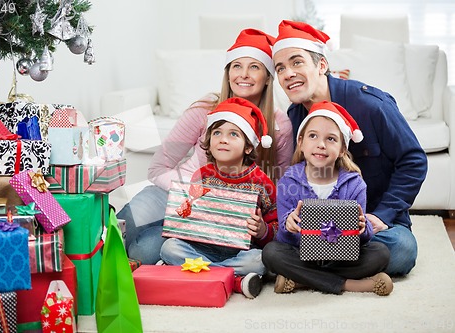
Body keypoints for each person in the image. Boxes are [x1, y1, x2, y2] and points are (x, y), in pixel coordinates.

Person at [117, 28, 293, 264]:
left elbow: (282, 181)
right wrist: (197, 193)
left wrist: (255, 218)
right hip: (177, 192)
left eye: (254, 67)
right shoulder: (204, 109)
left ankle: (189, 254)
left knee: (144, 252)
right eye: (236, 66)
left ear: (268, 76)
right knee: (121, 227)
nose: (244, 75)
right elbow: (158, 168)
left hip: (223, 215)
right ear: (228, 73)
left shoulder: (279, 123)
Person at [270, 20, 428, 276]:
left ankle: (307, 273)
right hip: (320, 227)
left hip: (373, 222)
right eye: (280, 68)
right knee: (274, 248)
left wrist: (382, 215)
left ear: (321, 65)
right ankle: (341, 273)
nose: (287, 73)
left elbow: (414, 160)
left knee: (401, 250)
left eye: (297, 62)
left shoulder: (371, 104)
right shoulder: (296, 116)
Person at [262, 100, 393, 296]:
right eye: (313, 136)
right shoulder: (288, 182)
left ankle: (302, 280)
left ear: (342, 149)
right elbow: (283, 238)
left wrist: (363, 227)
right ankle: (350, 285)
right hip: (302, 254)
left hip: (342, 258)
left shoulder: (355, 184)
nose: (321, 145)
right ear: (301, 143)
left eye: (331, 139)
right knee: (271, 253)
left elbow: (363, 239)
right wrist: (288, 224)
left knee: (380, 253)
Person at [160, 97, 278, 299]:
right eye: (217, 133)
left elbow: (275, 225)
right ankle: (234, 280)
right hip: (201, 247)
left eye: (233, 134)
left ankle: (198, 272)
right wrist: (183, 211)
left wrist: (262, 230)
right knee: (169, 248)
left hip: (240, 252)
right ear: (209, 141)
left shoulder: (261, 182)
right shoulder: (202, 175)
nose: (223, 139)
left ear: (248, 147)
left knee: (260, 260)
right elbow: (187, 213)